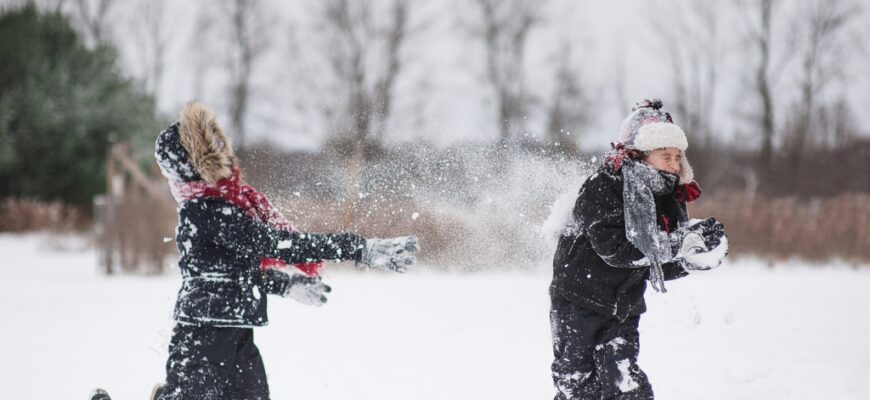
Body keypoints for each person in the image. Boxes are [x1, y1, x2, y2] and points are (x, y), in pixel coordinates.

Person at [133, 102, 417, 400]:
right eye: (210, 148)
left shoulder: (228, 206)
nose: (223, 153)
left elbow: (233, 273)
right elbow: (277, 243)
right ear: (194, 163)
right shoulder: (207, 212)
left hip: (236, 331)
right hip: (203, 334)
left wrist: (286, 284)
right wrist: (360, 249)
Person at [548, 99, 727, 399]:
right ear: (639, 154)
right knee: (577, 384)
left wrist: (691, 257)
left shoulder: (669, 197)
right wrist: (677, 245)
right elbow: (616, 249)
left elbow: (654, 262)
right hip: (578, 301)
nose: (674, 164)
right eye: (665, 155)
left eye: (678, 156)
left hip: (624, 308)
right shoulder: (604, 186)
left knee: (623, 381)